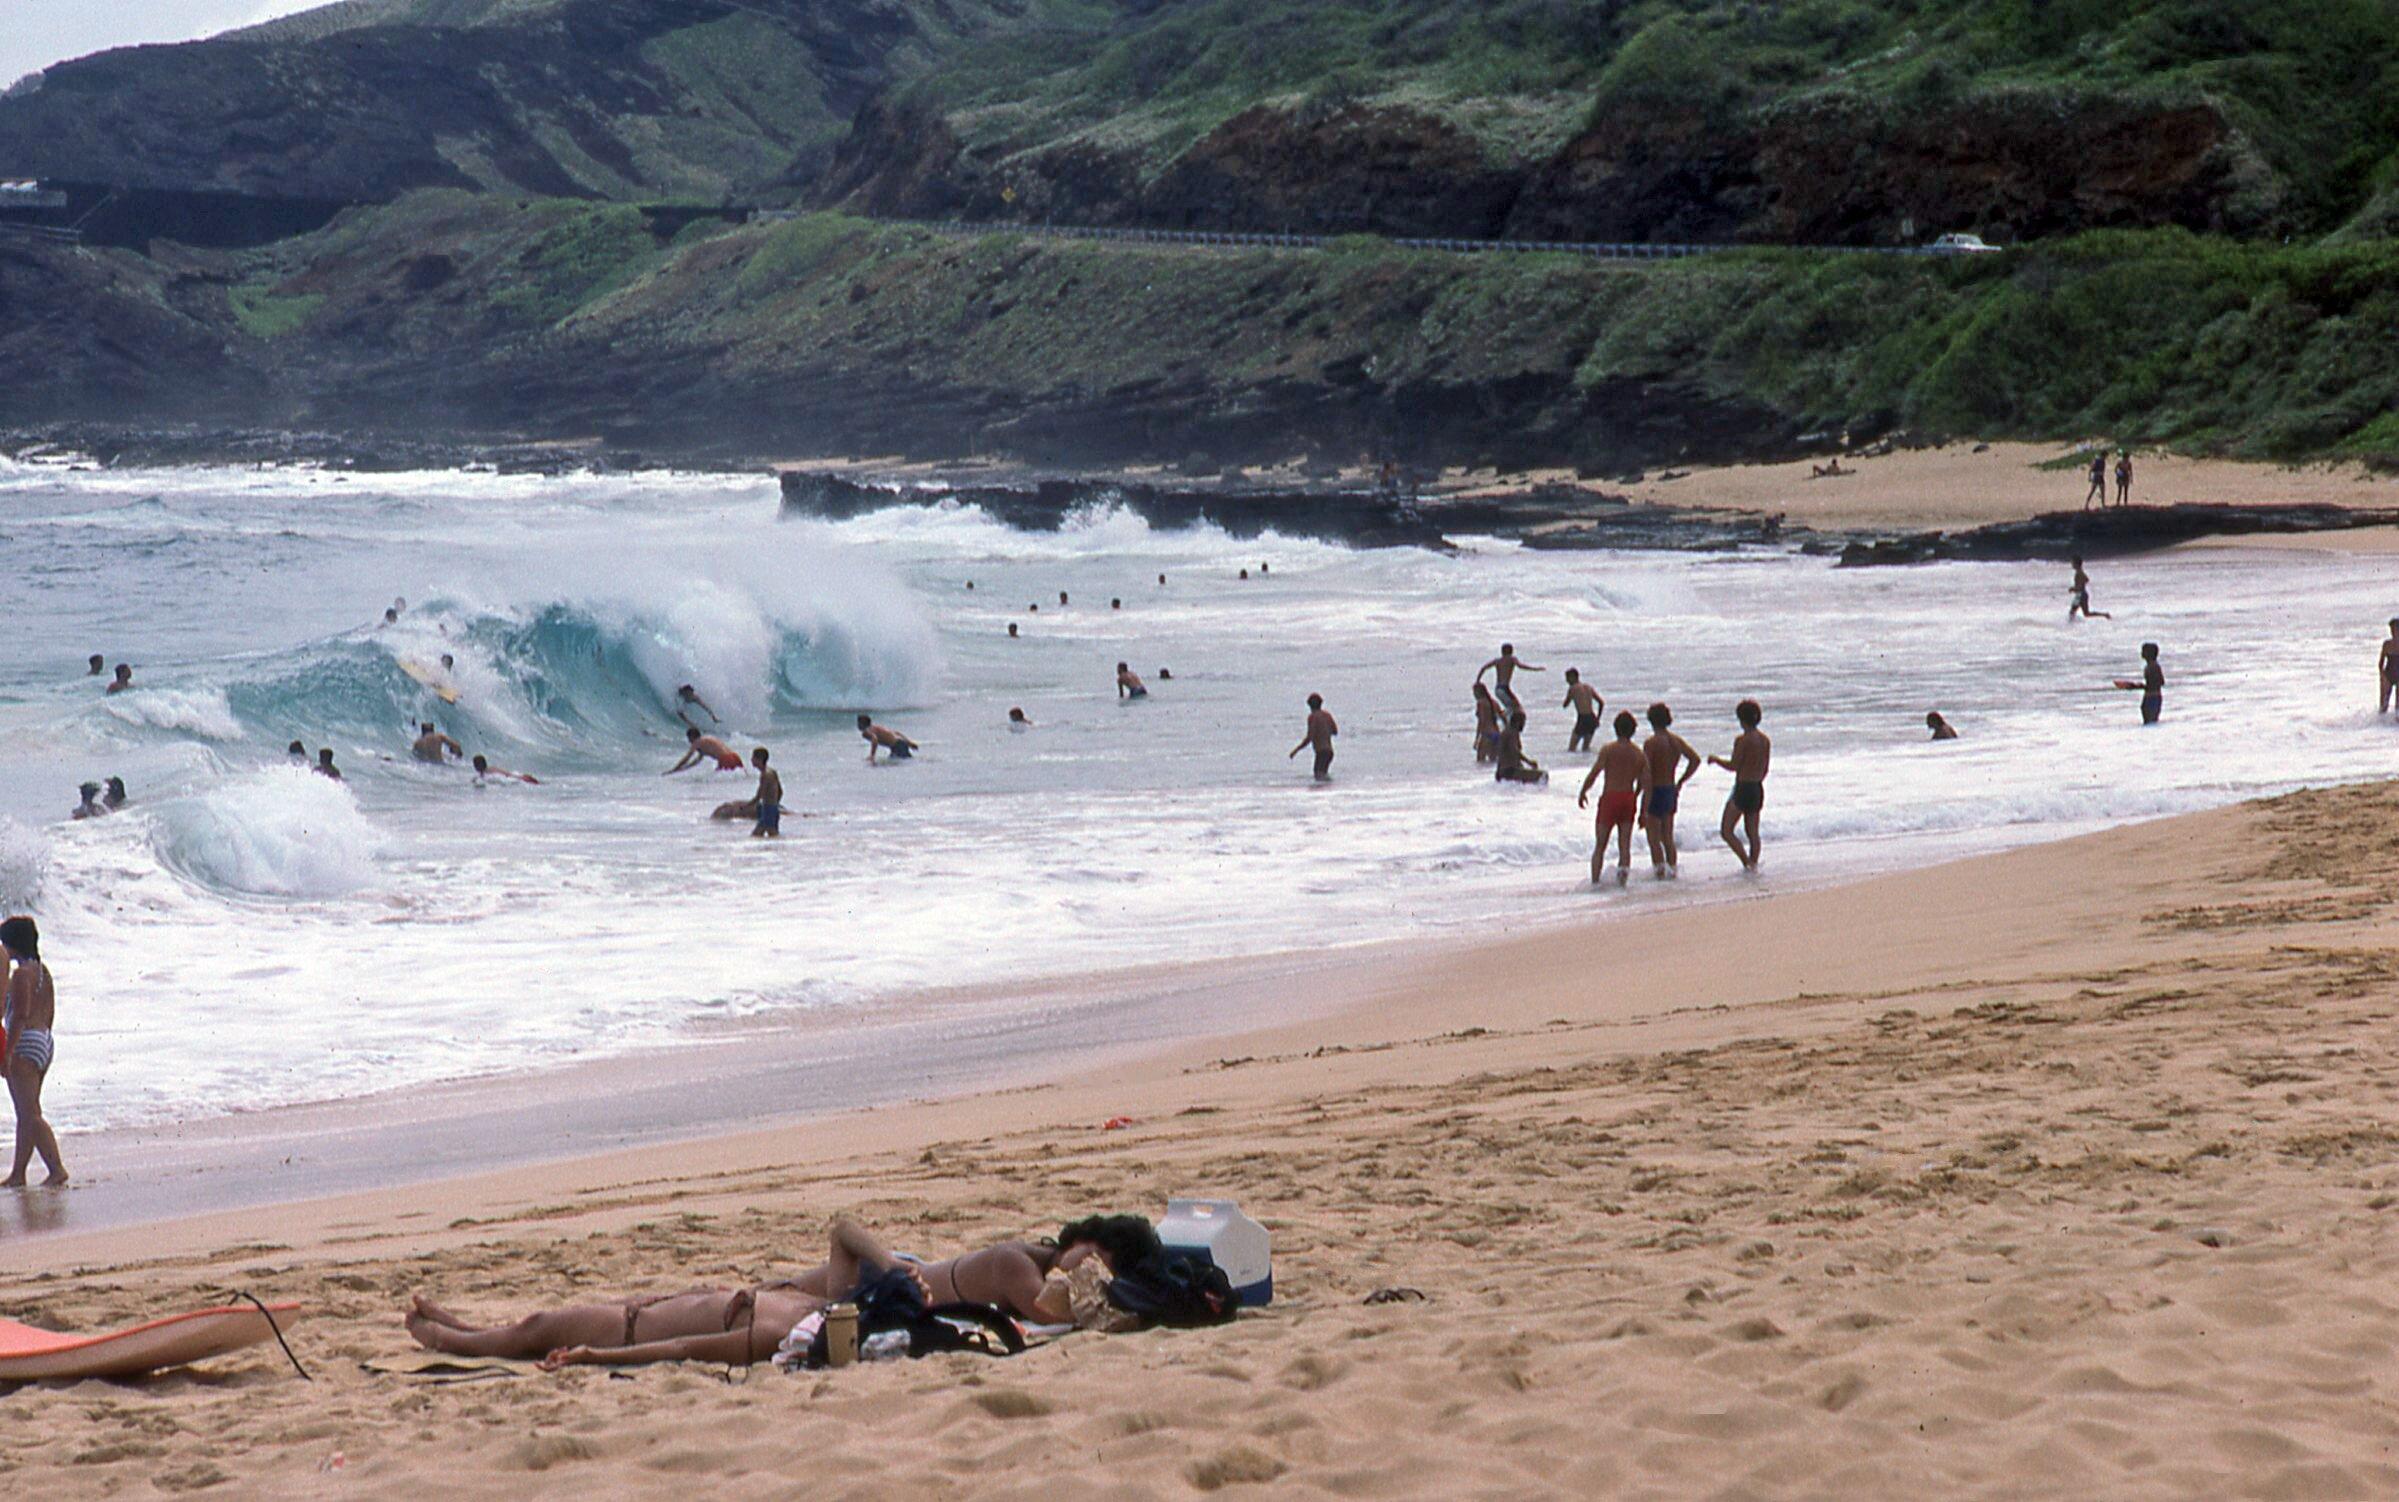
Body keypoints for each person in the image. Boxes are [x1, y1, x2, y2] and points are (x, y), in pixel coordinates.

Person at [403, 1216, 1145, 1369]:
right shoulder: (826, 1305)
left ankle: (449, 1338)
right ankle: (463, 1330)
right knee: (530, 1324)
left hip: (632, 1327)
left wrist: (597, 1359)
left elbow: (695, 1348)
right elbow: (845, 1228)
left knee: (532, 1326)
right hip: (658, 1302)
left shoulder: (792, 1332)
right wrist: (901, 1267)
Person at [1, 917, 65, 1188]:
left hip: (24, 1042)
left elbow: (19, 1016)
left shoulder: (21, 975)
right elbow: (48, 1012)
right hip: (44, 1040)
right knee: (28, 1111)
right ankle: (18, 1174)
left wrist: (8, 1051)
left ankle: (57, 1168)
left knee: (30, 1114)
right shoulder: (42, 971)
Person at [1578, 712, 1650, 886]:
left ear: (1615, 729)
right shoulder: (1639, 754)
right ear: (1633, 731)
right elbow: (1647, 786)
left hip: (1610, 798)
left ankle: (1595, 882)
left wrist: (1583, 791)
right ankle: (1621, 883)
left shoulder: (1608, 750)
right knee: (1624, 846)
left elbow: (1594, 773)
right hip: (1628, 798)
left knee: (1600, 844)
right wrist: (1644, 812)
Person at [1639, 703, 1702, 878]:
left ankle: (1659, 873)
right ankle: (1672, 871)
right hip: (1670, 789)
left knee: (1653, 839)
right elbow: (1695, 760)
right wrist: (1681, 781)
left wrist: (1641, 802)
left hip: (1655, 791)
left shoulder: (1651, 743)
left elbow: (1646, 774)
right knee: (1667, 836)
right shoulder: (1676, 741)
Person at [1709, 700, 1771, 871]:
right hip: (1757, 787)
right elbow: (1765, 768)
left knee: (1726, 830)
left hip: (1743, 787)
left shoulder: (1742, 740)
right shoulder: (1765, 740)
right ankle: (1753, 863)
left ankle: (1746, 862)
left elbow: (1733, 766)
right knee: (1753, 833)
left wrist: (1716, 760)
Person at [1476, 643, 1544, 717]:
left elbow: (1483, 668)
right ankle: (1498, 719)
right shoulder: (1512, 659)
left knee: (1512, 707)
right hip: (1504, 689)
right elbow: (1521, 666)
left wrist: (1478, 681)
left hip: (1498, 689)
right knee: (1515, 708)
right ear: (1511, 651)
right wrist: (1536, 669)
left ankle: (1499, 718)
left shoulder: (1497, 661)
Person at [1288, 693, 1337, 781]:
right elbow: (1335, 731)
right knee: (1323, 776)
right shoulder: (1327, 715)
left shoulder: (1312, 717)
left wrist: (1296, 750)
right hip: (1329, 751)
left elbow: (1310, 737)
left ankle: (1323, 793)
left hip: (1321, 752)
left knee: (1318, 776)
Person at [1493, 709, 1545, 785]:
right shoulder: (1512, 732)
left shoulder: (1507, 731)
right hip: (1509, 771)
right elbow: (1514, 751)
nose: (1524, 725)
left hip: (1502, 771)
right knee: (1543, 776)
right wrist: (1529, 762)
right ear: (1518, 722)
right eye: (1523, 722)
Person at [666, 727, 744, 774]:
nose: (689, 741)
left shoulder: (697, 742)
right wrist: (681, 769)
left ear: (692, 736)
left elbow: (687, 758)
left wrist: (674, 769)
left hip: (725, 759)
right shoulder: (706, 740)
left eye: (689, 738)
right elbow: (696, 761)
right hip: (735, 757)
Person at [1562, 670, 1602, 753]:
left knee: (1571, 749)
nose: (1566, 681)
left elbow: (1565, 705)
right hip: (1592, 719)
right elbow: (1601, 702)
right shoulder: (1588, 687)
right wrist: (1598, 718)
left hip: (1583, 719)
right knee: (1586, 749)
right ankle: (1585, 764)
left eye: (1567, 678)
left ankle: (1573, 764)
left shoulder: (1573, 688)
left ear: (1573, 677)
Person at [2124, 642, 2165, 724]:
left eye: (2144, 651)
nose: (2141, 653)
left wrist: (2137, 686)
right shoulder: (2150, 666)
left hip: (2153, 698)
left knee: (2150, 722)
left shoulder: (2153, 667)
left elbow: (2160, 682)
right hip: (2151, 697)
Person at [748, 747, 782, 838]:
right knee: (772, 836)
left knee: (758, 835)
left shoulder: (765, 775)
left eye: (753, 757)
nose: (751, 760)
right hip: (772, 808)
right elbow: (780, 791)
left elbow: (759, 795)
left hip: (768, 809)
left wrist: (747, 805)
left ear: (759, 759)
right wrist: (775, 804)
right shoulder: (772, 772)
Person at [2068, 555, 2111, 621]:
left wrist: (2073, 588)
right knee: (2086, 613)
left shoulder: (2079, 573)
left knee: (2072, 613)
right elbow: (2086, 579)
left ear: (2076, 564)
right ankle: (2104, 615)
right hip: (2082, 595)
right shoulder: (2079, 572)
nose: (2071, 565)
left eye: (2072, 563)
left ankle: (2072, 627)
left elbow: (2083, 583)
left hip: (2080, 595)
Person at [1472, 682, 1504, 764]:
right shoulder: (1494, 702)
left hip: (1487, 735)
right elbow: (1503, 718)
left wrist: (1477, 739)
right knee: (1493, 762)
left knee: (1480, 762)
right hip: (1496, 734)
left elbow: (1481, 722)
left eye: (1474, 692)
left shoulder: (1481, 703)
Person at [471, 754, 539, 785]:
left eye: (476, 764)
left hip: (514, 777)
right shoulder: (484, 773)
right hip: (513, 777)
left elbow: (506, 774)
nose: (475, 766)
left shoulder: (489, 770)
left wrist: (521, 777)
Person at [2379, 619, 2397, 714]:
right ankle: (2380, 725)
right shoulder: (2387, 644)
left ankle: (2395, 726)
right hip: (2388, 673)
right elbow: (2381, 662)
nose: (2394, 633)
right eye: (2392, 630)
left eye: (2396, 630)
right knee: (2383, 706)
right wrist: (2382, 675)